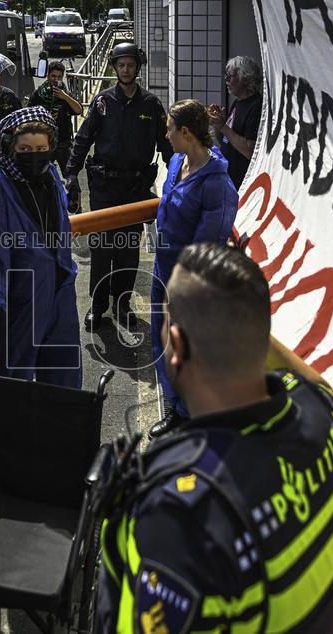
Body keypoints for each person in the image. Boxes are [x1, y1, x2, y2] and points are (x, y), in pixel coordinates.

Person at [97, 243, 333, 634]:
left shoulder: (181, 518)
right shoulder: (320, 418)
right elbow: (317, 386)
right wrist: (242, 322)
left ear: (176, 347)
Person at [64, 42, 173, 331]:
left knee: (128, 249)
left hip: (135, 189)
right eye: (121, 65)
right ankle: (98, 305)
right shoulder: (103, 102)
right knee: (101, 247)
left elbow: (167, 145)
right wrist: (71, 173)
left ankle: (122, 303)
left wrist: (180, 176)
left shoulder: (151, 105)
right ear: (115, 67)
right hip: (104, 187)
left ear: (138, 67)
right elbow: (83, 139)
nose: (126, 70)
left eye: (131, 65)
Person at [0, 106, 82, 389]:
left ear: (50, 147)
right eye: (25, 149)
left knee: (63, 387)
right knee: (13, 390)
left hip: (59, 296)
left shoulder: (52, 177)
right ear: (10, 148)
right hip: (20, 302)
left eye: (41, 148)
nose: (35, 156)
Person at [151, 99, 238, 418]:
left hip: (187, 283)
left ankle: (187, 415)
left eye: (169, 129)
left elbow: (207, 248)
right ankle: (174, 406)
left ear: (185, 132)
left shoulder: (218, 185)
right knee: (161, 342)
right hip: (163, 268)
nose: (166, 134)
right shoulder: (177, 161)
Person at [208, 55, 262, 190]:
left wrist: (224, 127)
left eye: (230, 76)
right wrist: (217, 125)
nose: (226, 80)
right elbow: (225, 141)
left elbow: (250, 150)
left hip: (243, 183)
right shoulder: (238, 102)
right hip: (229, 179)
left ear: (245, 78)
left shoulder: (257, 106)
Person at [27, 61, 83, 175]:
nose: (55, 79)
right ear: (48, 76)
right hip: (44, 143)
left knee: (70, 176)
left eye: (59, 77)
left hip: (63, 142)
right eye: (53, 76)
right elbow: (28, 115)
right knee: (41, 175)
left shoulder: (65, 93)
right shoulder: (38, 93)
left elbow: (79, 110)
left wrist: (65, 97)